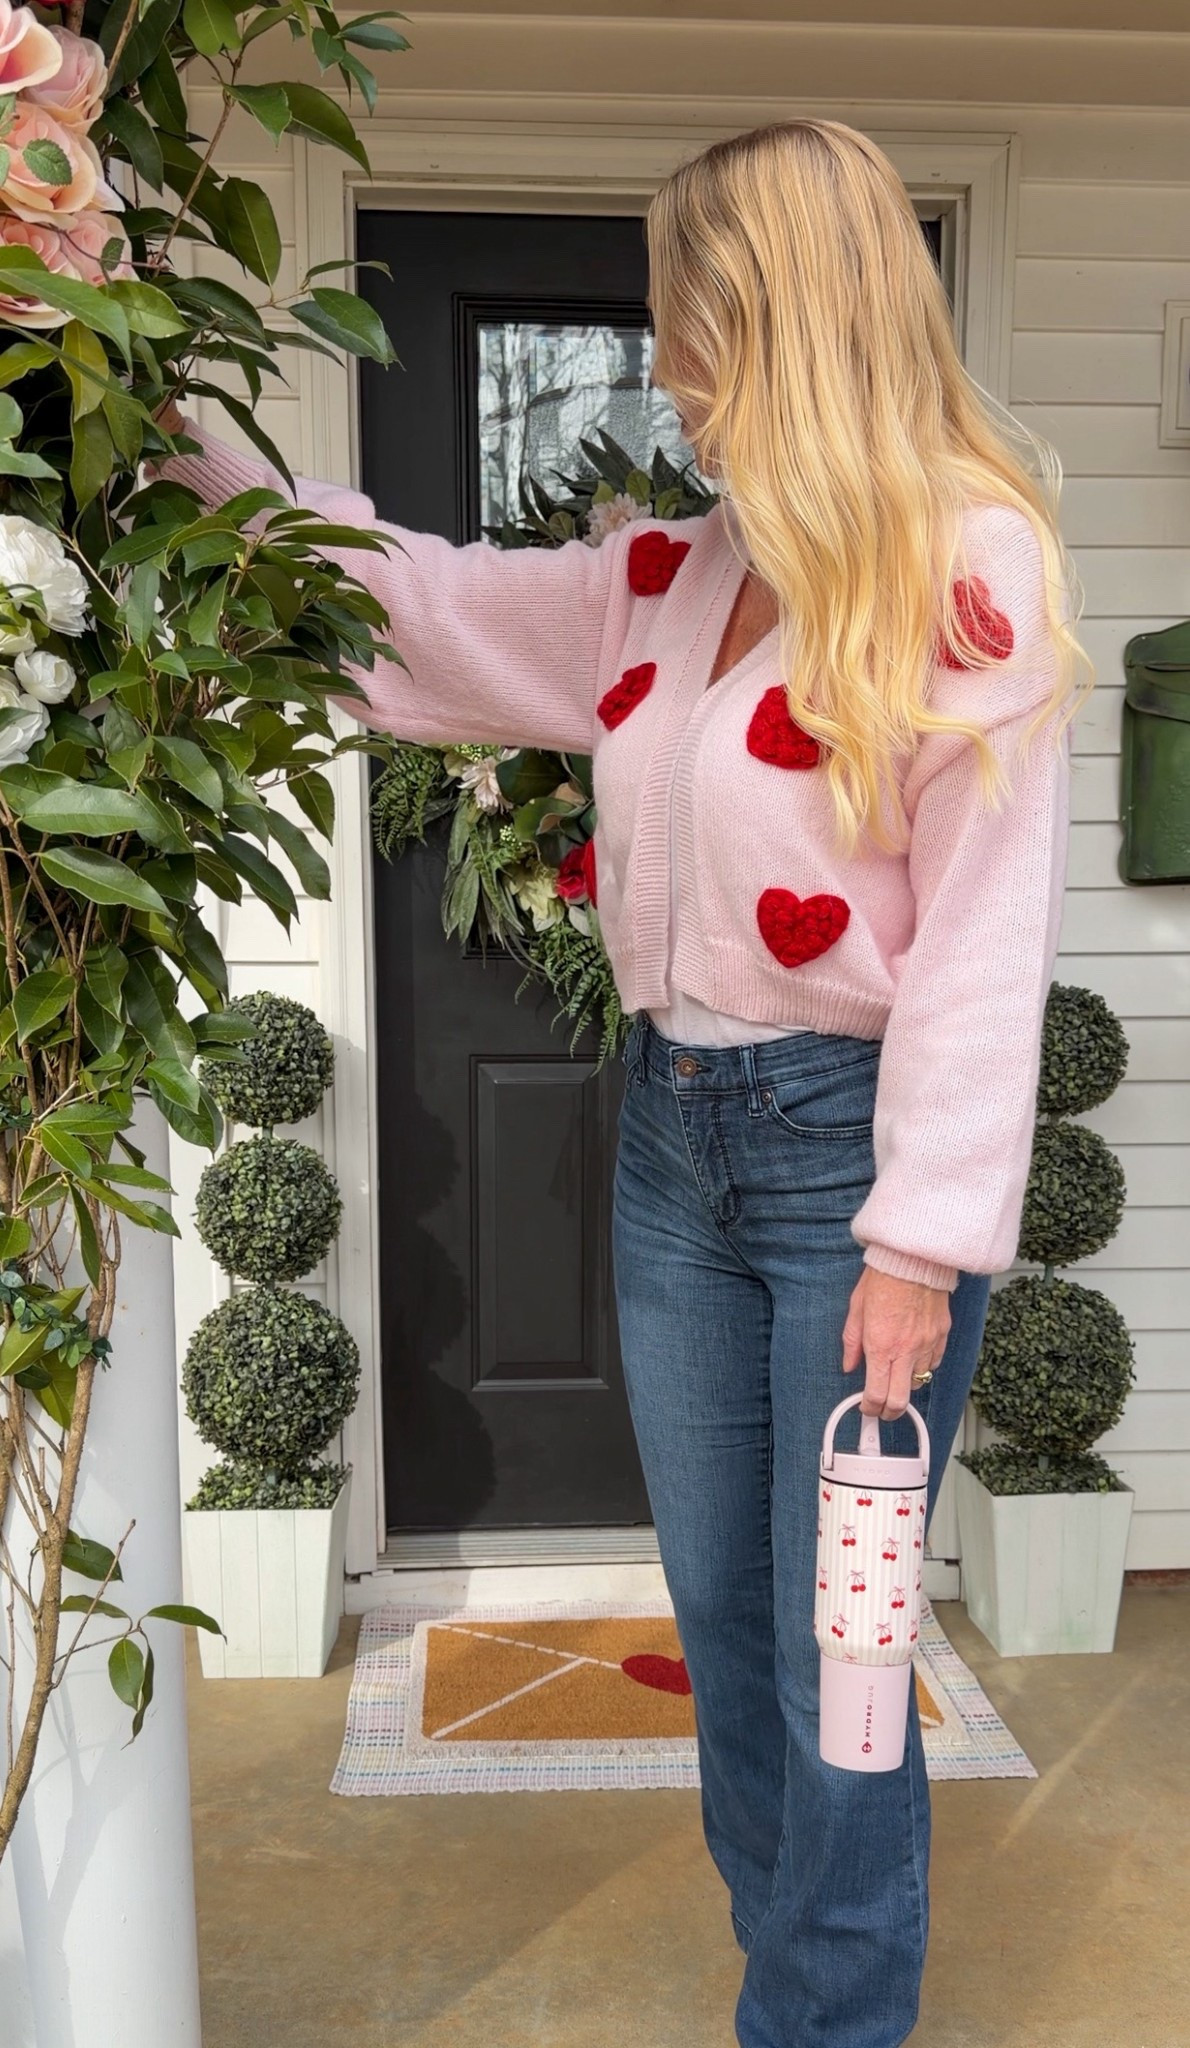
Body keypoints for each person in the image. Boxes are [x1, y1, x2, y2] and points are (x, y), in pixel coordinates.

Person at [154, 117, 1088, 2048]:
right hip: (674, 1147)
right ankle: (793, 1988)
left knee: (840, 1662)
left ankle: (822, 2026)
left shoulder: (964, 568)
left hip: (857, 1193)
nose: (662, 359)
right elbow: (398, 600)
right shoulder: (666, 576)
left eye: (688, 320)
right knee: (734, 1649)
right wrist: (169, 416)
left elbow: (987, 946)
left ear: (783, 320)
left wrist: (919, 1242)